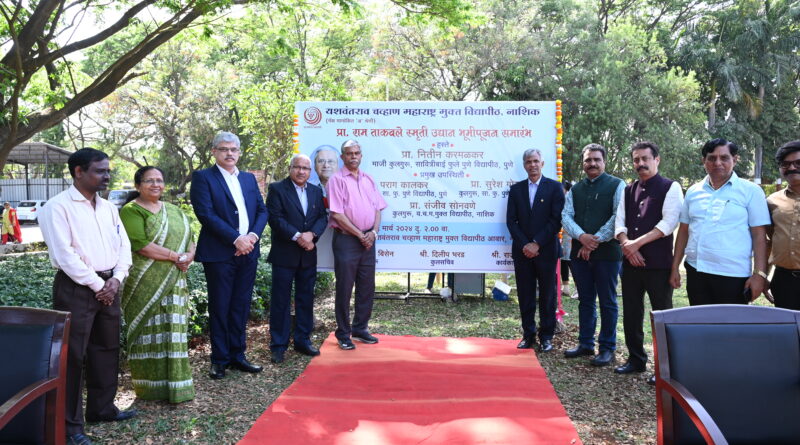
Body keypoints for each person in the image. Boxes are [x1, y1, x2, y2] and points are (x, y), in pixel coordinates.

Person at [38, 148, 135, 445]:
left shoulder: (107, 208)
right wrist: (98, 285)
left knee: (106, 349)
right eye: (99, 171)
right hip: (76, 288)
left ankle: (102, 409)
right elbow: (64, 255)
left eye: (107, 170)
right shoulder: (56, 207)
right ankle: (70, 427)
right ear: (78, 172)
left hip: (110, 285)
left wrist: (116, 279)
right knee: (72, 357)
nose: (106, 175)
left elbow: (124, 247)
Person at [190, 132, 268, 379]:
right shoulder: (203, 178)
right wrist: (236, 239)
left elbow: (261, 210)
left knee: (240, 306)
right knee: (221, 306)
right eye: (224, 149)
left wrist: (252, 237)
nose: (229, 153)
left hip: (248, 252)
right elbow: (206, 214)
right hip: (220, 253)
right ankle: (219, 359)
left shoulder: (247, 179)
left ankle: (238, 355)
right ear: (214, 151)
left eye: (234, 149)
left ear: (239, 152)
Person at [119, 166, 195, 403]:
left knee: (173, 330)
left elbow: (191, 238)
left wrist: (188, 257)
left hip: (175, 281)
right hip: (143, 282)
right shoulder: (131, 211)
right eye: (149, 180)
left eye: (159, 180)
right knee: (148, 332)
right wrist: (176, 257)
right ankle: (150, 388)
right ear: (138, 185)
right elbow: (140, 244)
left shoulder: (174, 210)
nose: (155, 185)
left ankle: (177, 384)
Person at [613, 142, 683, 384]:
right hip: (631, 263)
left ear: (657, 160)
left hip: (659, 264)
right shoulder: (628, 189)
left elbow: (668, 224)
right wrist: (627, 246)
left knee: (661, 315)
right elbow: (619, 223)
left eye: (645, 158)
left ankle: (665, 368)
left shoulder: (670, 187)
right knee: (631, 312)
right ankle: (635, 359)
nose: (640, 164)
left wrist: (636, 244)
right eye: (636, 159)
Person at [670, 138, 770, 305]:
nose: (718, 163)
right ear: (704, 161)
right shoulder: (693, 192)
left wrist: (759, 274)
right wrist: (675, 267)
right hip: (696, 271)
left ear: (735, 160)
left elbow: (759, 236)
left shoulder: (751, 191)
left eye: (724, 158)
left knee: (730, 327)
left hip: (733, 275)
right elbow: (684, 231)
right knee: (701, 325)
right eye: (711, 158)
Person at [561, 143, 625, 366]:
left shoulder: (617, 185)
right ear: (583, 163)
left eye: (597, 159)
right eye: (588, 160)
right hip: (580, 255)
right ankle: (586, 343)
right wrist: (582, 237)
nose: (592, 163)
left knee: (608, 301)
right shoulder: (576, 189)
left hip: (607, 254)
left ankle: (607, 348)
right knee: (586, 300)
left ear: (604, 162)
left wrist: (593, 241)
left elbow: (618, 216)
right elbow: (566, 216)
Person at [265, 154, 328, 364]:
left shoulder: (316, 191)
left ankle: (302, 340)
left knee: (306, 299)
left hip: (308, 254)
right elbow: (275, 218)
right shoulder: (277, 189)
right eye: (298, 167)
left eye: (306, 168)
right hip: (285, 254)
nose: (302, 171)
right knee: (281, 301)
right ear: (290, 168)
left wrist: (312, 235)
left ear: (310, 172)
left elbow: (322, 217)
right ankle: (278, 345)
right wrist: (298, 236)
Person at [327, 139, 387, 350]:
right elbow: (337, 214)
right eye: (349, 153)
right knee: (344, 288)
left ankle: (360, 328)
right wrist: (360, 235)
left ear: (361, 155)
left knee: (367, 287)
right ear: (342, 157)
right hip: (346, 241)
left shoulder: (368, 179)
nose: (353, 156)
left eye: (357, 153)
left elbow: (378, 209)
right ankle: (343, 333)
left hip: (368, 241)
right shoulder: (336, 180)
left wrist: (373, 233)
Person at [506, 148, 565, 352]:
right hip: (523, 252)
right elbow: (511, 222)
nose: (532, 165)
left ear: (542, 163)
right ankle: (528, 335)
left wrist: (537, 243)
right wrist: (526, 244)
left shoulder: (555, 188)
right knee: (525, 294)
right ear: (524, 165)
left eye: (536, 161)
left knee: (547, 295)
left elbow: (556, 220)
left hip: (546, 251)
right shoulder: (516, 190)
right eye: (529, 162)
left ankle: (546, 336)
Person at [766, 140, 800, 309]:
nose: (792, 168)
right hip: (784, 280)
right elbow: (770, 240)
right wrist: (762, 275)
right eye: (785, 164)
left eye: (798, 163)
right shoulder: (772, 201)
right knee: (788, 332)